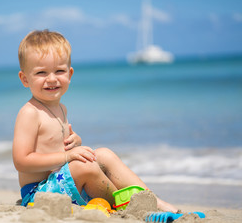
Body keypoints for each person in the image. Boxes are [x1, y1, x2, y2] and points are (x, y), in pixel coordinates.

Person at [12, 29, 178, 212]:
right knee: (86, 168)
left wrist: (74, 143)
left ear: (70, 74)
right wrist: (67, 156)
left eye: (59, 70)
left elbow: (55, 145)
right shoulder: (30, 112)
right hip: (38, 194)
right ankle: (129, 206)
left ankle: (153, 200)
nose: (52, 79)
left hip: (61, 181)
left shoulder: (61, 108)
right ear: (25, 79)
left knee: (104, 154)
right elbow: (21, 161)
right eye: (41, 73)